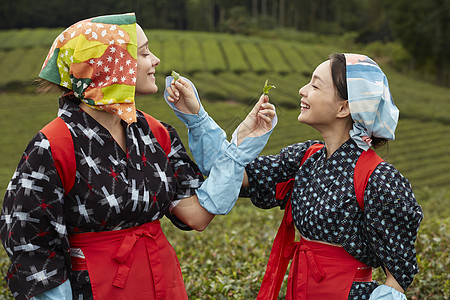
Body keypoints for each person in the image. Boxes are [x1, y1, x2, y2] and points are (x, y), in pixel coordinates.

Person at [0, 13, 276, 300]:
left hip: (160, 279)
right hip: (96, 286)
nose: (155, 60)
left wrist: (237, 143)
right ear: (109, 65)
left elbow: (196, 215)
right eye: (143, 52)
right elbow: (30, 244)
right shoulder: (53, 145)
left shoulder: (156, 134)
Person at [165, 53, 423, 299]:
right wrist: (198, 117)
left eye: (315, 85)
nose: (303, 90)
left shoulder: (379, 178)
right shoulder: (305, 157)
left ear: (344, 107)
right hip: (301, 288)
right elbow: (232, 175)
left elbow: (397, 274)